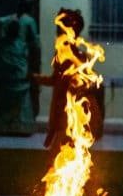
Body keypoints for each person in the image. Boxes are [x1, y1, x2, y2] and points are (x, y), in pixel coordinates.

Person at [32, 8, 105, 155]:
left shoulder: (71, 55)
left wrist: (53, 127)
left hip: (72, 114)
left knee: (64, 156)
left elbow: (62, 89)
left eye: (59, 28)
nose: (58, 32)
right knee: (71, 158)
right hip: (74, 112)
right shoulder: (73, 54)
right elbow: (58, 81)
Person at [0, 17, 33, 135]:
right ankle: (9, 127)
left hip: (17, 81)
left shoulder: (19, 44)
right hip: (9, 81)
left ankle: (18, 128)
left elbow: (24, 61)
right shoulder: (3, 45)